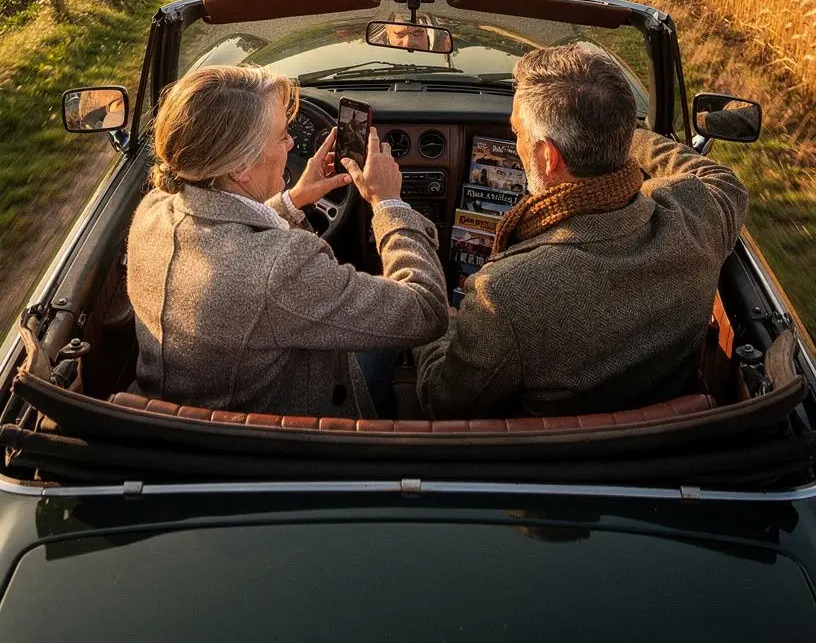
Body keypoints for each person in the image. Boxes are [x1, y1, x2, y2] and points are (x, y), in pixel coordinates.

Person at [416, 43, 748, 419]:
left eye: (518, 133)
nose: (516, 145)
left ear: (547, 156)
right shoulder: (696, 218)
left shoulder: (506, 294)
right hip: (664, 450)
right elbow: (721, 178)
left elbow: (440, 401)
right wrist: (620, 135)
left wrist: (438, 321)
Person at [127, 65, 448, 419]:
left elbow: (228, 234)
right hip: (282, 440)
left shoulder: (153, 210)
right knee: (383, 346)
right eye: (282, 136)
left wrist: (292, 201)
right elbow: (425, 311)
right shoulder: (278, 267)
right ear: (240, 168)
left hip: (182, 419)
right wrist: (389, 203)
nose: (292, 144)